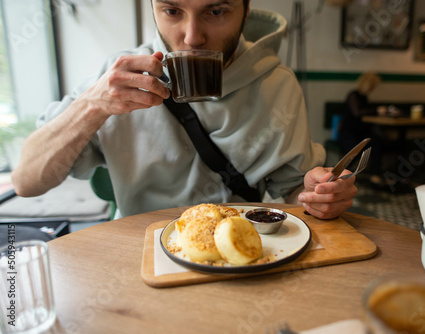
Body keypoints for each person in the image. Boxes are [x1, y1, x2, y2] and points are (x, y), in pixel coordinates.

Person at [11, 0, 357, 220]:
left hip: (235, 252)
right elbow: (26, 181)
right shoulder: (118, 78)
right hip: (139, 252)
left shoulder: (276, 83)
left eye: (216, 11)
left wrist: (319, 195)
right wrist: (92, 106)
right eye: (172, 11)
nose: (192, 37)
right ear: (153, 8)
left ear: (246, 10)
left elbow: (296, 190)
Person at [338, 72, 387, 187]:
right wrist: (377, 111)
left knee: (376, 142)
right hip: (348, 133)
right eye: (372, 85)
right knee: (356, 148)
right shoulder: (353, 95)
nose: (373, 88)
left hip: (360, 133)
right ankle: (342, 172)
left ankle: (375, 174)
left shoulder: (365, 98)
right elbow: (357, 113)